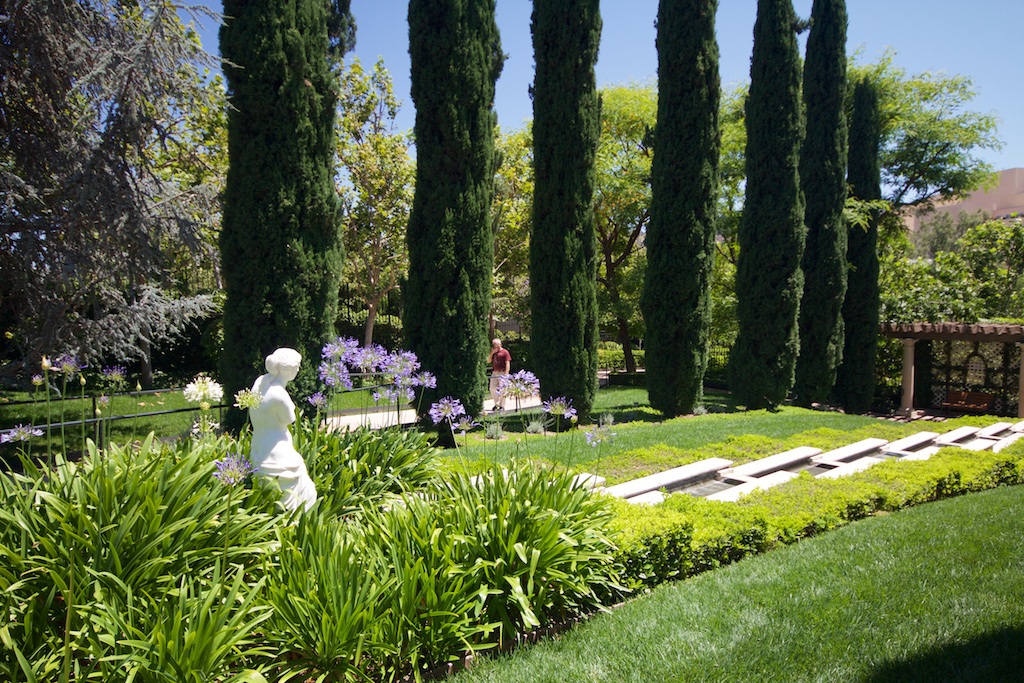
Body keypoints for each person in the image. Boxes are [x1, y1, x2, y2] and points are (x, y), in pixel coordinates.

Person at [248, 348, 318, 512]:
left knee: (268, 495)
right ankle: (294, 527)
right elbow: (289, 419)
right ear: (289, 370)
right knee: (305, 493)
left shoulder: (260, 382)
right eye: (297, 367)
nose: (298, 370)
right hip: (278, 452)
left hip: (258, 448)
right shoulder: (280, 396)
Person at [488, 338, 511, 410]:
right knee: (492, 388)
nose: (495, 346)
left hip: (502, 372)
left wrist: (506, 374)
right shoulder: (493, 352)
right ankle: (496, 403)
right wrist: (492, 353)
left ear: (500, 344)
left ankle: (502, 405)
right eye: (494, 345)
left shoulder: (505, 352)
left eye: (496, 345)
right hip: (495, 372)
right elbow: (488, 361)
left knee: (503, 389)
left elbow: (507, 363)